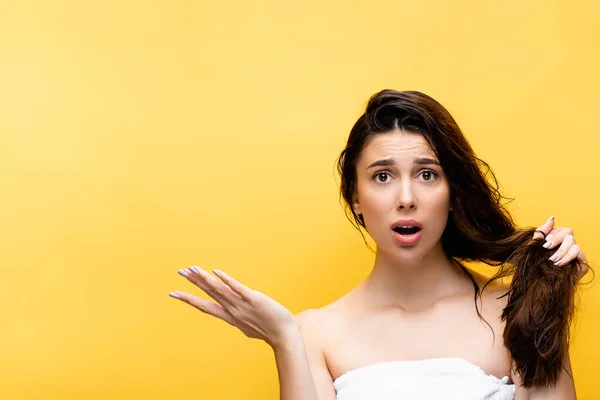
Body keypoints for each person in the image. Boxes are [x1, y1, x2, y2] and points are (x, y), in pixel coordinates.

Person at [168, 90, 590, 399]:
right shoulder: (313, 333)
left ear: (452, 191)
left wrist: (549, 292)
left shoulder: (515, 310)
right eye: (382, 176)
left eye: (427, 174)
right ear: (355, 195)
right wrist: (284, 339)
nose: (406, 198)